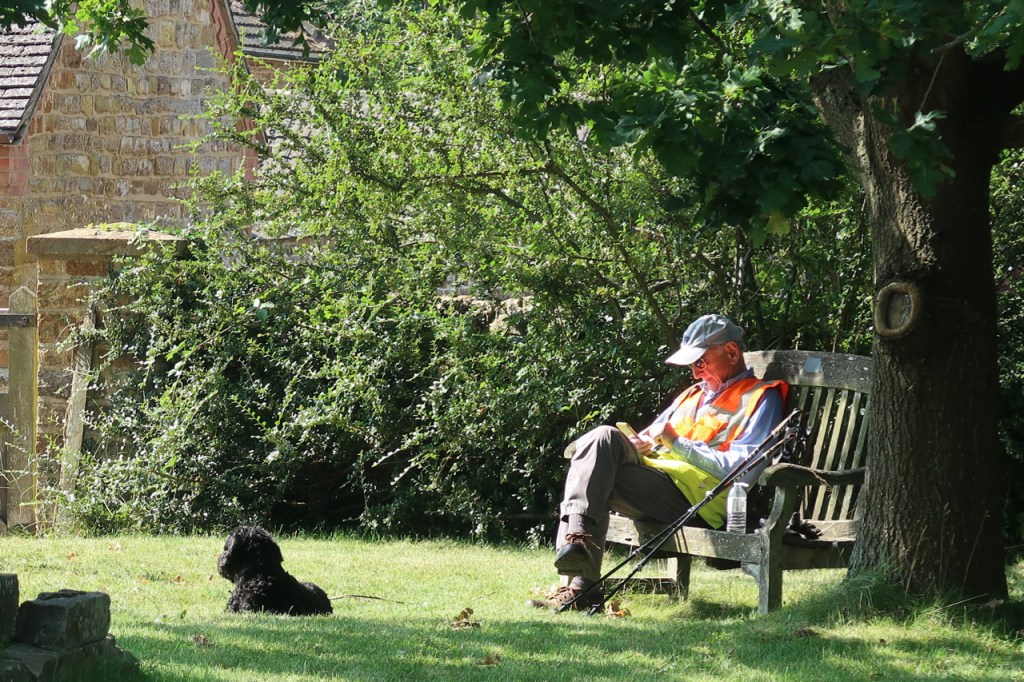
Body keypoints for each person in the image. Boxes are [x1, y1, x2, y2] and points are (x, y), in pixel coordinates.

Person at [530, 313, 789, 611]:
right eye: (692, 365)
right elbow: (654, 436)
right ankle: (577, 555)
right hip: (659, 484)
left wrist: (677, 443)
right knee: (602, 440)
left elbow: (743, 470)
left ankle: (579, 577)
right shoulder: (692, 396)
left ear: (731, 352)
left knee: (595, 468)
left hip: (700, 501)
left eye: (700, 362)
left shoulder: (761, 398)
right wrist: (643, 443)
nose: (695, 373)